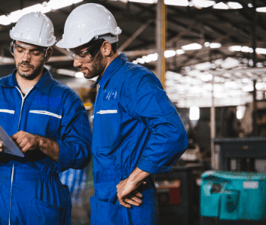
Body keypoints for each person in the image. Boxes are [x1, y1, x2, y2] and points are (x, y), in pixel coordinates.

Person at [57, 3, 188, 225]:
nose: (76, 62)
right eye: (73, 54)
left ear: (106, 48)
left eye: (82, 53)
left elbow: (172, 133)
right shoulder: (104, 87)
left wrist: (134, 179)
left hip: (129, 204)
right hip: (106, 201)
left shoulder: (134, 80)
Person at [0, 12, 91, 225]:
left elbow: (81, 153)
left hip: (40, 200)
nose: (25, 58)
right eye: (19, 50)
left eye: (34, 52)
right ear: (13, 48)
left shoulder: (66, 99)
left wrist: (41, 142)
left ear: (47, 54)